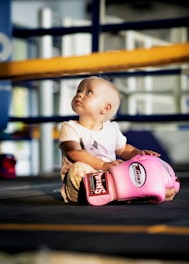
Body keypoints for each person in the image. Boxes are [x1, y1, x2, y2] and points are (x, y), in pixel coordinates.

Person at [59, 76, 177, 204]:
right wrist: (103, 165)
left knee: (135, 170)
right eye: (79, 91)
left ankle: (150, 191)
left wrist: (138, 154)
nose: (80, 95)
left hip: (113, 178)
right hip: (82, 184)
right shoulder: (70, 127)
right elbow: (74, 153)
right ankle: (127, 195)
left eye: (88, 92)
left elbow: (124, 149)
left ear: (105, 108)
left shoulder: (111, 129)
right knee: (78, 169)